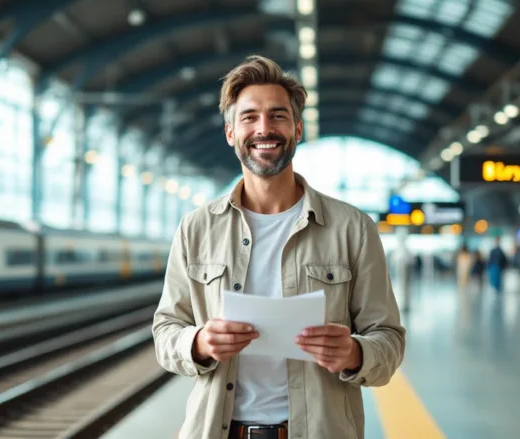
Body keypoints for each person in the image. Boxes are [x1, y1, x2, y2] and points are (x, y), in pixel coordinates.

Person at [151, 55, 406, 439]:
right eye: (249, 117)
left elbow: (389, 339)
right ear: (230, 133)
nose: (264, 128)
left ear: (298, 129)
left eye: (278, 116)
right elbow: (166, 331)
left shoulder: (352, 228)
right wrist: (199, 342)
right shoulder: (196, 228)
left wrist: (355, 353)